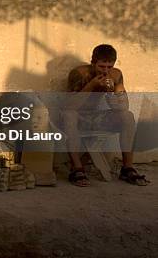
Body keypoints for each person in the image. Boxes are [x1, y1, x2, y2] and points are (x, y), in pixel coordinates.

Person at [62, 44, 148, 186]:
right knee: (69, 114)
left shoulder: (116, 74)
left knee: (127, 116)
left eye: (109, 67)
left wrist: (112, 95)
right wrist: (91, 85)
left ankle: (127, 168)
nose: (106, 71)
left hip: (97, 116)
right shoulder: (79, 73)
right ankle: (77, 168)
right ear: (93, 63)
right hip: (78, 116)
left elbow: (123, 106)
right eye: (102, 67)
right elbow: (70, 106)